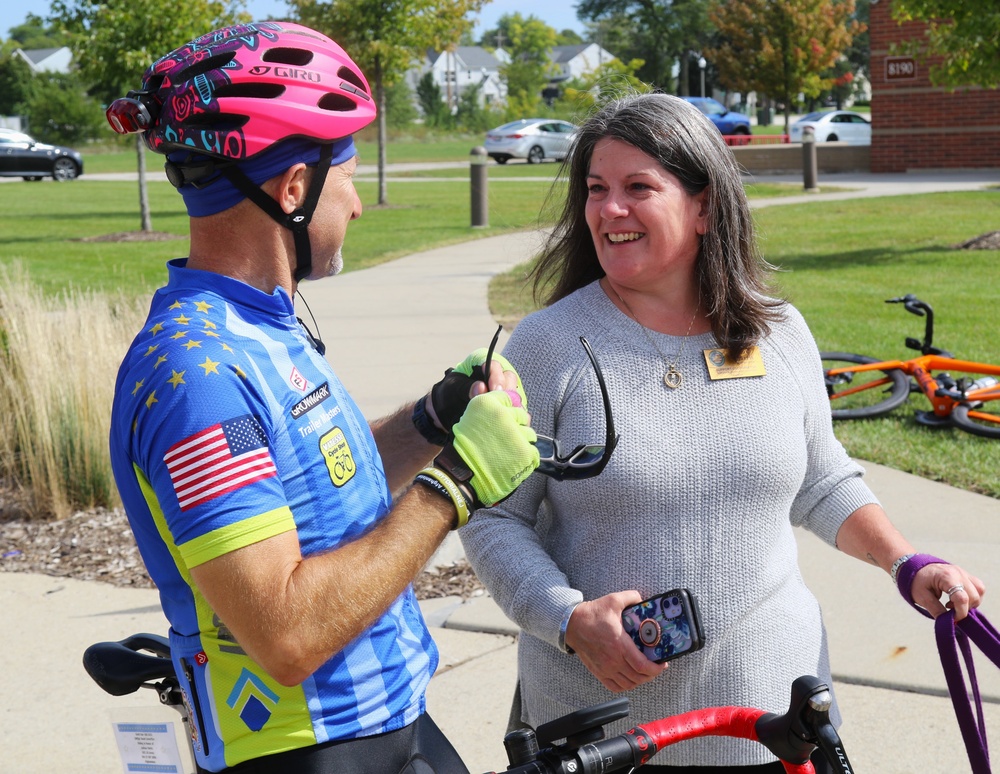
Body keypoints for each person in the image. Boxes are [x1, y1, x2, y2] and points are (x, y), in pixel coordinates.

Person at [459, 92, 986, 772]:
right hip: (602, 738)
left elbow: (822, 479)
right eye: (596, 189)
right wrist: (567, 619)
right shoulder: (546, 346)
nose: (609, 210)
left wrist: (906, 564)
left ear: (705, 205)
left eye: (637, 188)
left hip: (772, 720)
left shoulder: (778, 331)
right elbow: (494, 517)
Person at [106, 22, 538, 774]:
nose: (360, 204)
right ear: (294, 188)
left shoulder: (255, 324)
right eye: (348, 174)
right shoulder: (198, 375)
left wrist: (434, 421)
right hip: (312, 751)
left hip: (390, 724)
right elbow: (285, 632)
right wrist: (455, 486)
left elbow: (309, 488)